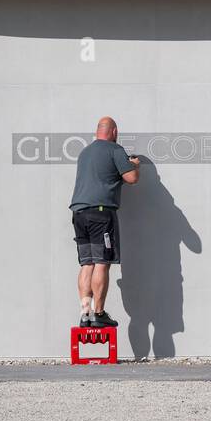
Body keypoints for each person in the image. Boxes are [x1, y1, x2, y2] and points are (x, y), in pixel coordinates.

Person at [70, 116, 140, 327]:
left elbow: (102, 176)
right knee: (102, 261)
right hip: (101, 214)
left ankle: (85, 313)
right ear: (114, 132)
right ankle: (99, 314)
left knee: (87, 262)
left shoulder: (85, 153)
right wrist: (134, 165)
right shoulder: (114, 150)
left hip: (79, 213)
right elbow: (132, 178)